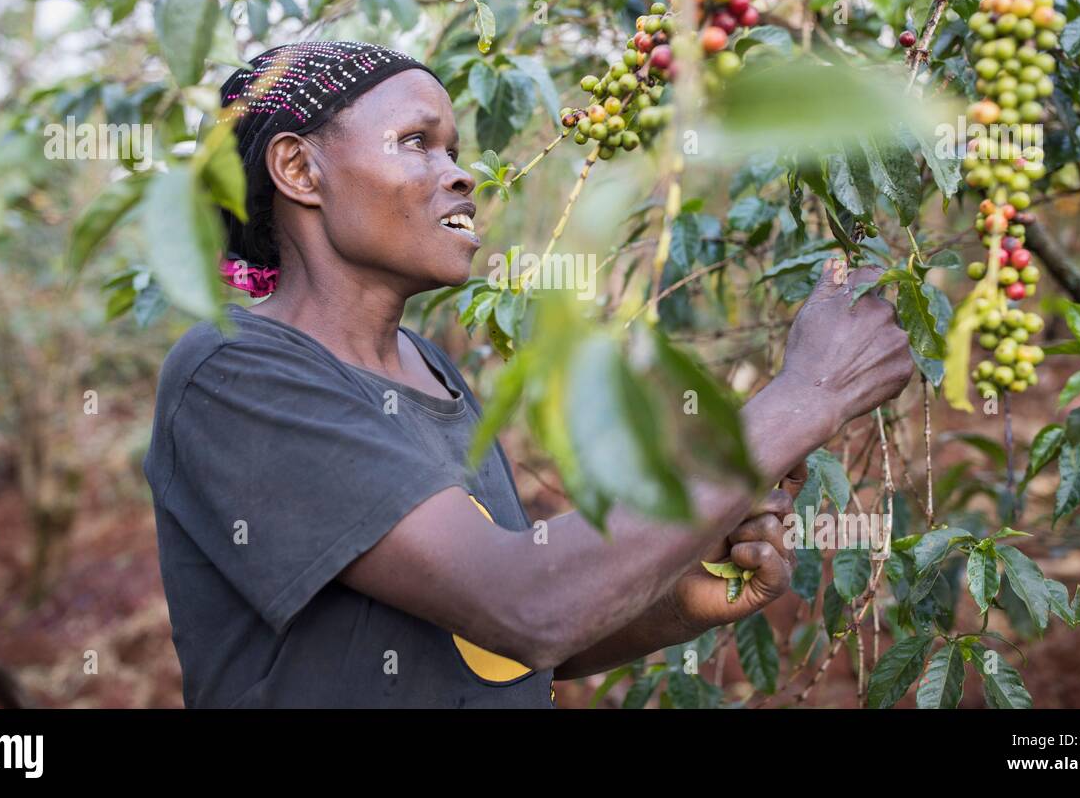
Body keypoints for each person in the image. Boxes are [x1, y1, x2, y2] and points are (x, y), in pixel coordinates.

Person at [142, 40, 913, 707]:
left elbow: (494, 639)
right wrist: (807, 397)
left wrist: (674, 603)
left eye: (453, 148)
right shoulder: (232, 372)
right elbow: (525, 603)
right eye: (417, 142)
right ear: (299, 171)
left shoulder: (430, 370)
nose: (460, 174)